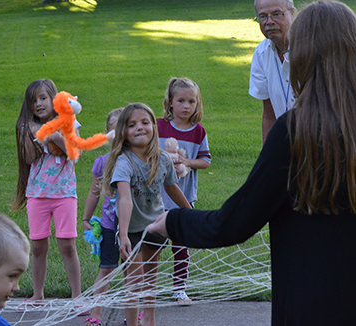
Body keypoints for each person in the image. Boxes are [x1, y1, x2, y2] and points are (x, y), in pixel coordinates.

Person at [148, 1, 356, 324]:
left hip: (310, 305)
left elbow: (233, 223)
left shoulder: (294, 133)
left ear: (302, 56)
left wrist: (171, 222)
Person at [102, 103, 192, 326]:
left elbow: (172, 187)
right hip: (130, 230)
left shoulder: (162, 159)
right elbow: (124, 199)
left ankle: (149, 320)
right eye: (132, 125)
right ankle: (132, 323)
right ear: (123, 132)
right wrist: (122, 235)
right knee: (134, 280)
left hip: (155, 226)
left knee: (151, 277)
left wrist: (191, 214)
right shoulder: (124, 162)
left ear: (154, 126)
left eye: (145, 122)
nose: (139, 128)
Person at [12, 79, 84, 305]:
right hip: (37, 194)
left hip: (64, 194)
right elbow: (28, 158)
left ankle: (77, 296)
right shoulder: (29, 127)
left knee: (67, 244)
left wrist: (54, 136)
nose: (38, 104)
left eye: (43, 98)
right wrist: (29, 134)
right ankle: (38, 295)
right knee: (38, 245)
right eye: (33, 101)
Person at [157, 77, 211, 305]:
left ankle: (179, 289)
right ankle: (148, 287)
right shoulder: (159, 126)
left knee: (181, 248)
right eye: (181, 101)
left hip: (183, 199)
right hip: (156, 199)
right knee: (153, 247)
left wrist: (186, 162)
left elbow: (205, 161)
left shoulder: (198, 132)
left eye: (192, 101)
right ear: (170, 103)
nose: (186, 106)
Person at [82, 108, 123, 326]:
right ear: (106, 133)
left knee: (135, 271)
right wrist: (86, 218)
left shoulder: (139, 160)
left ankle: (136, 314)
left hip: (134, 227)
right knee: (106, 268)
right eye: (115, 133)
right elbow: (94, 192)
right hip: (109, 225)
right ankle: (96, 312)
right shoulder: (102, 162)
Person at [249, 0, 297, 143]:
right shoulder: (261, 54)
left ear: (293, 13)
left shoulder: (313, 48)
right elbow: (269, 114)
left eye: (277, 14)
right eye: (263, 16)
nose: (269, 22)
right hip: (285, 142)